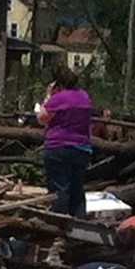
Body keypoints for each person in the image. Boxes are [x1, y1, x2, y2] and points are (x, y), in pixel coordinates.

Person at [36, 66, 93, 218]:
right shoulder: (84, 97)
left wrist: (48, 96)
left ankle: (58, 226)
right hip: (82, 148)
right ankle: (80, 225)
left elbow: (42, 118)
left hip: (58, 147)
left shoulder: (58, 99)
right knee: (77, 190)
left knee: (60, 189)